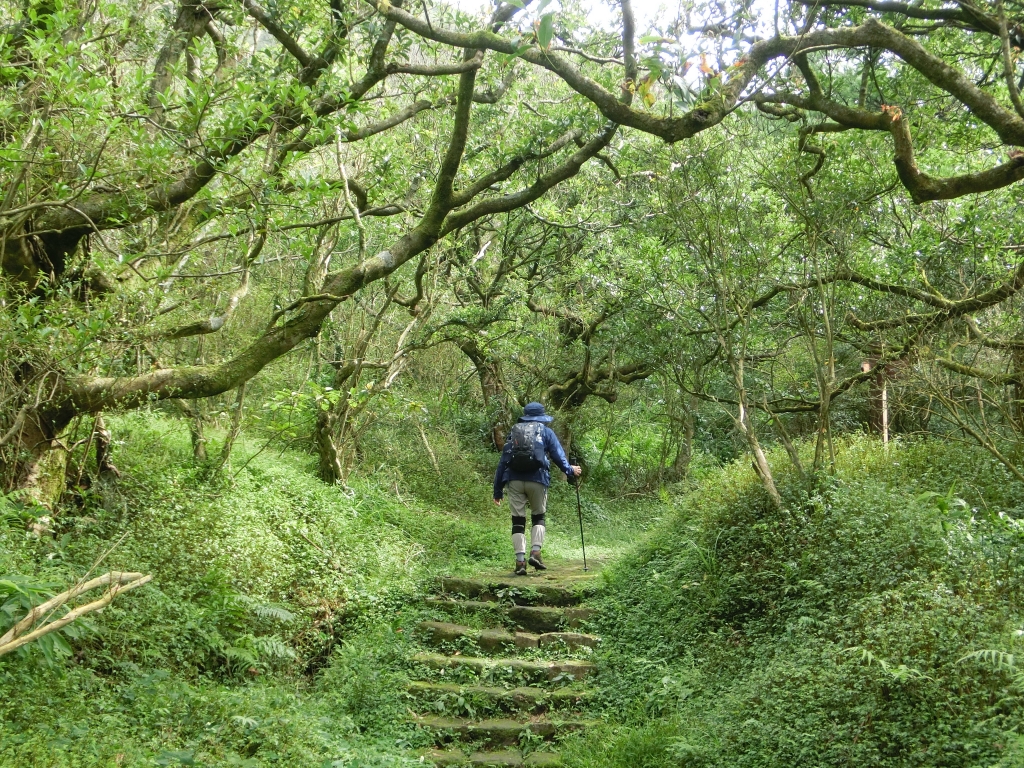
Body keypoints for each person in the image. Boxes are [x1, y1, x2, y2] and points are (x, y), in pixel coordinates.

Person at [493, 402, 581, 575]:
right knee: (538, 516)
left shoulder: (514, 432)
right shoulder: (546, 432)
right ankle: (535, 552)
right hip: (537, 479)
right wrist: (570, 470)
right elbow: (558, 455)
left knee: (517, 520)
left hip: (514, 480)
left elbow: (503, 461)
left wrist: (498, 490)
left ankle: (520, 562)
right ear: (541, 417)